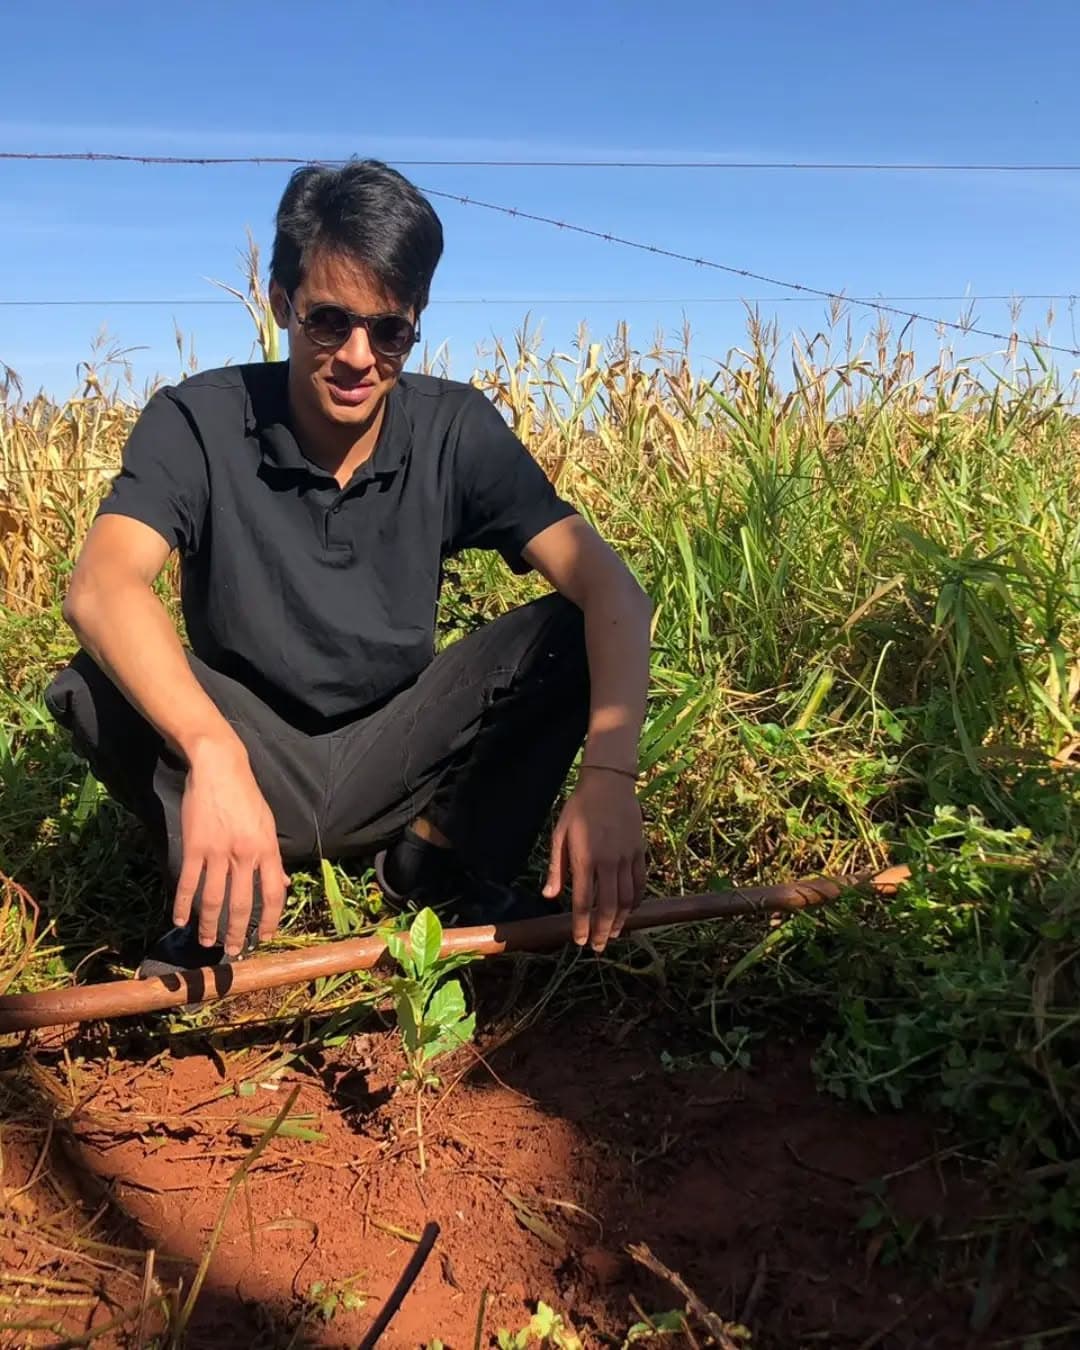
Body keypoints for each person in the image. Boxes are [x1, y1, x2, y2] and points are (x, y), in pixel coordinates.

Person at [43, 158, 653, 979]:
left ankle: (444, 864)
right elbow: (102, 584)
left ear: (416, 320)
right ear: (281, 303)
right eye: (329, 321)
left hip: (394, 747)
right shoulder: (197, 418)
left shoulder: (454, 429)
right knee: (95, 680)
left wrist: (612, 776)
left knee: (575, 631)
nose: (359, 356)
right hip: (245, 753)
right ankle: (219, 905)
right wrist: (214, 752)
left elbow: (610, 584)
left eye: (390, 329)